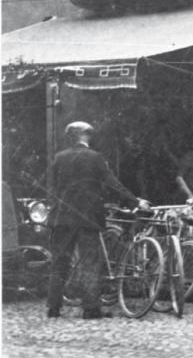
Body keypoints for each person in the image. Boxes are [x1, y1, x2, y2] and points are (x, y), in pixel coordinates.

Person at [46, 121, 149, 319]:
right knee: (90, 262)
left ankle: (53, 307)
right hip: (87, 218)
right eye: (89, 134)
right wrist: (135, 201)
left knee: (60, 261)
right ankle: (91, 309)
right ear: (85, 135)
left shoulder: (59, 157)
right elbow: (112, 183)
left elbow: (53, 187)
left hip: (61, 218)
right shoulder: (95, 158)